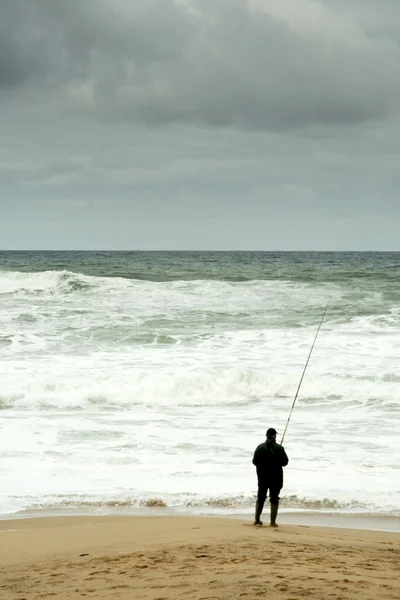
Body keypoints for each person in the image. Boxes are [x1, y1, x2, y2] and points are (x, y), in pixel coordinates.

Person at [252, 427, 289, 526]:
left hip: (263, 477)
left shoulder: (259, 447)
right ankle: (272, 522)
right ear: (274, 436)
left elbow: (254, 462)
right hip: (276, 478)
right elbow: (285, 462)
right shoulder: (279, 449)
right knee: (274, 499)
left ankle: (257, 520)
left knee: (260, 498)